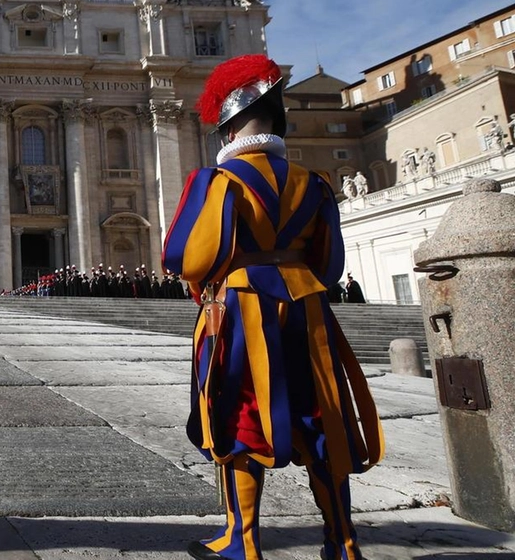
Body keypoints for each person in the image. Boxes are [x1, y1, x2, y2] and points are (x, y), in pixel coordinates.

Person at [163, 54, 382, 560]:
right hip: (308, 309)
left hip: (241, 310)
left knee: (237, 411)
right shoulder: (316, 182)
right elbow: (330, 265)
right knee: (321, 415)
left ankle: (243, 542)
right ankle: (343, 542)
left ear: (229, 125)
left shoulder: (215, 182)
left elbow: (185, 257)